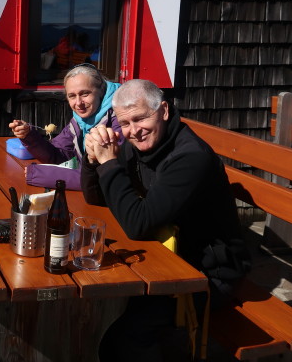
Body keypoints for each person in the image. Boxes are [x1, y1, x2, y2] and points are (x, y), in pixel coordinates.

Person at [81, 79, 250, 362]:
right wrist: (91, 160)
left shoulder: (189, 157)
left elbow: (138, 224)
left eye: (140, 118)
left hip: (208, 274)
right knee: (95, 307)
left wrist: (109, 164)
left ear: (164, 111)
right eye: (125, 124)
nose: (133, 131)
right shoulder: (143, 144)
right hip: (166, 256)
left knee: (123, 329)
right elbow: (96, 199)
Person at [8, 63, 121, 190]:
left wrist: (38, 174)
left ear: (101, 90)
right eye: (72, 96)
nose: (78, 103)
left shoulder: (122, 119)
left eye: (85, 94)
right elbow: (58, 155)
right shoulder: (80, 121)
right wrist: (28, 135)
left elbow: (100, 178)